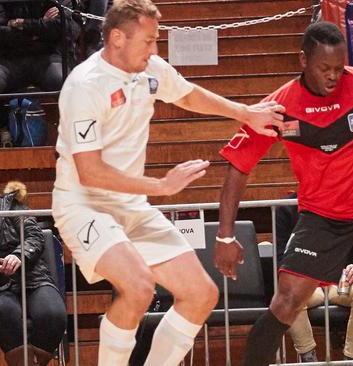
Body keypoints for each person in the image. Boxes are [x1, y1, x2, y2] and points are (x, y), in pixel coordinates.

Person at [50, 0, 285, 364]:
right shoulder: (84, 85)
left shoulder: (151, 69)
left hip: (131, 206)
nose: (155, 50)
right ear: (116, 38)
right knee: (139, 286)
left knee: (201, 293)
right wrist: (161, 186)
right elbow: (89, 172)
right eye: (148, 41)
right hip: (85, 205)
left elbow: (187, 93)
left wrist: (245, 113)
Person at [215, 21, 353, 366]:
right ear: (303, 60)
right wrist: (225, 236)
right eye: (324, 68)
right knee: (285, 302)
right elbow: (238, 166)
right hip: (322, 217)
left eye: (339, 68)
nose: (333, 76)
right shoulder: (279, 106)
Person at [276, 192, 353, 362]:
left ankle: (351, 360)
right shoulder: (286, 207)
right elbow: (280, 254)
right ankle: (309, 358)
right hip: (306, 281)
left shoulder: (352, 200)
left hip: (342, 280)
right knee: (288, 295)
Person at [0, 181, 67, 366]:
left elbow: (34, 235)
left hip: (33, 277)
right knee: (3, 311)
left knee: (53, 315)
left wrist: (19, 255)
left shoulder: (9, 205)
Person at [0, 0, 76, 146]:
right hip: (8, 59)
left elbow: (64, 27)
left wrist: (21, 24)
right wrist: (39, 28)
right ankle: (1, 130)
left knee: (67, 82)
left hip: (48, 57)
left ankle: (70, 140)